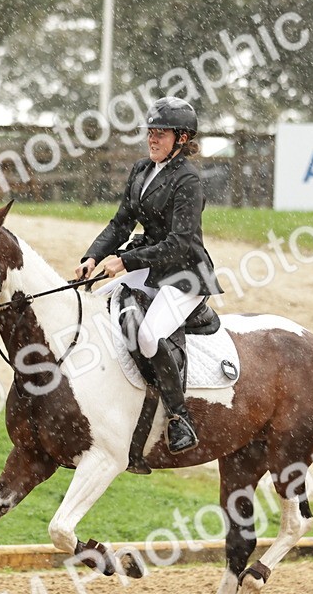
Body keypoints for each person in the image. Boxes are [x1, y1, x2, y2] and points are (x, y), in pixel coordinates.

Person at [74, 96, 223, 454]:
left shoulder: (188, 180)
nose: (152, 139)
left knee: (148, 336)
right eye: (150, 132)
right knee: (95, 307)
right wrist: (93, 256)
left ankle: (179, 417)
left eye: (161, 133)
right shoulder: (142, 170)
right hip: (150, 265)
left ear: (182, 139)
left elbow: (179, 244)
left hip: (185, 274)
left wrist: (126, 261)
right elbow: (120, 224)